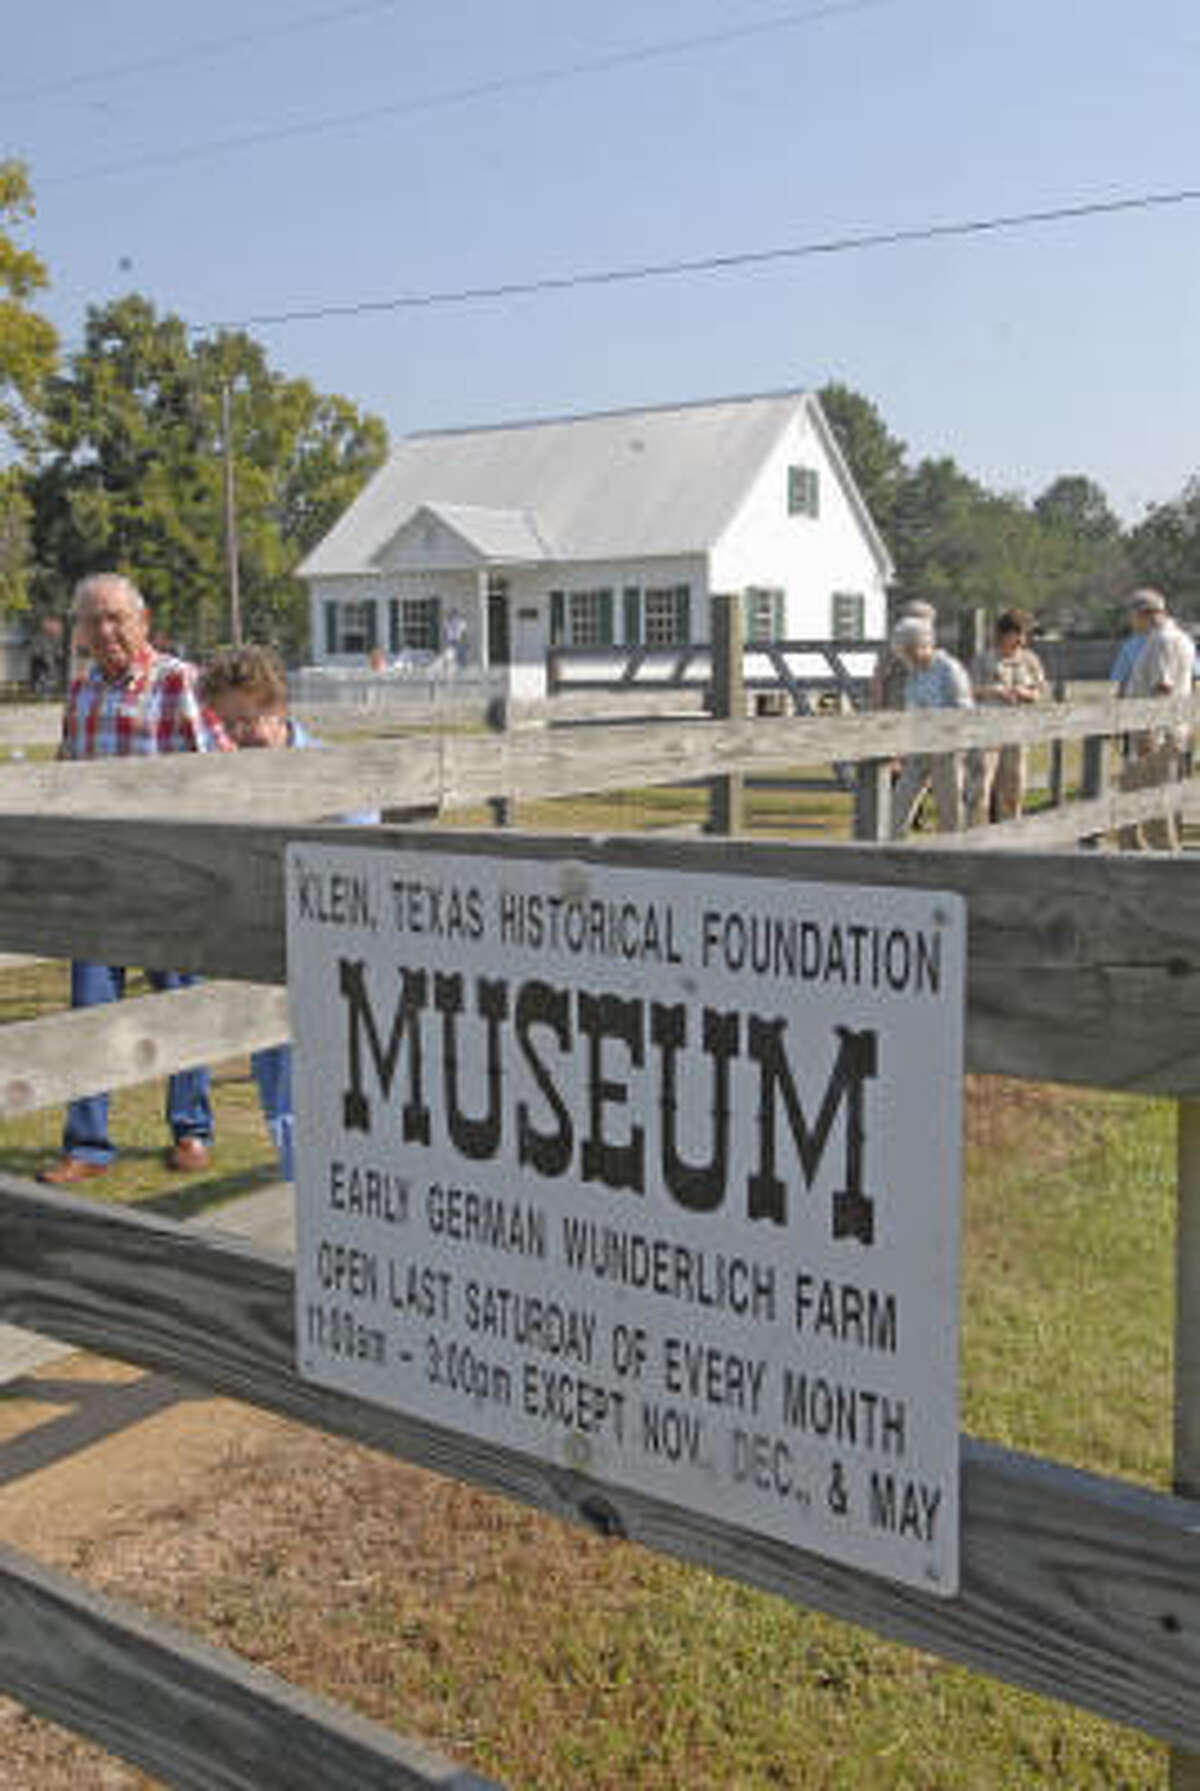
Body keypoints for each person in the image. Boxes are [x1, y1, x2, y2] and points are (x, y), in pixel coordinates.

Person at [38, 573, 231, 1185]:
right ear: (80, 633)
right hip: (99, 877)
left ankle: (192, 1130)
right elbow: (66, 773)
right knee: (91, 1010)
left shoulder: (179, 680)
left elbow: (216, 771)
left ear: (143, 621)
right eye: (93, 620)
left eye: (117, 617)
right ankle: (88, 1144)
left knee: (181, 1004)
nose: (106, 631)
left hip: (166, 875)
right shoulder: (82, 690)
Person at [199, 644, 377, 1180]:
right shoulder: (231, 778)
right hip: (266, 949)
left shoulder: (332, 770)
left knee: (342, 1080)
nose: (236, 735)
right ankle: (298, 1179)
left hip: (334, 954)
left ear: (278, 707)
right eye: (226, 724)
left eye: (247, 720)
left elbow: (363, 857)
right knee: (277, 1078)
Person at [1117, 587, 1195, 850]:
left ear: (1144, 613)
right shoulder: (1182, 638)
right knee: (1137, 801)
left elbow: (1163, 688)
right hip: (1166, 730)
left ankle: (1166, 870)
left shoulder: (1162, 640)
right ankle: (1136, 859)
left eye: (1133, 615)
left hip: (1154, 734)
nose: (1131, 622)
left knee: (1152, 808)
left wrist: (1148, 732)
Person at [889, 615, 973, 837]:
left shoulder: (949, 669)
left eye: (909, 650)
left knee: (950, 810)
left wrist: (945, 733)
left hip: (947, 749)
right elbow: (910, 710)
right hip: (918, 748)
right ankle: (893, 853)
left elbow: (964, 710)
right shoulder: (914, 673)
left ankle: (952, 857)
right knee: (899, 805)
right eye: (903, 651)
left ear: (923, 645)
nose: (905, 656)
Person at [966, 609, 1047, 824]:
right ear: (1003, 634)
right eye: (1016, 634)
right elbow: (968, 691)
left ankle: (1010, 835)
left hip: (1017, 732)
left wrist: (1024, 693)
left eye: (1024, 635)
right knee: (981, 786)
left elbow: (1040, 692)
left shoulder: (1030, 661)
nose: (1021, 640)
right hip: (987, 732)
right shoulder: (983, 660)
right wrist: (993, 691)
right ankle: (976, 835)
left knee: (1014, 787)